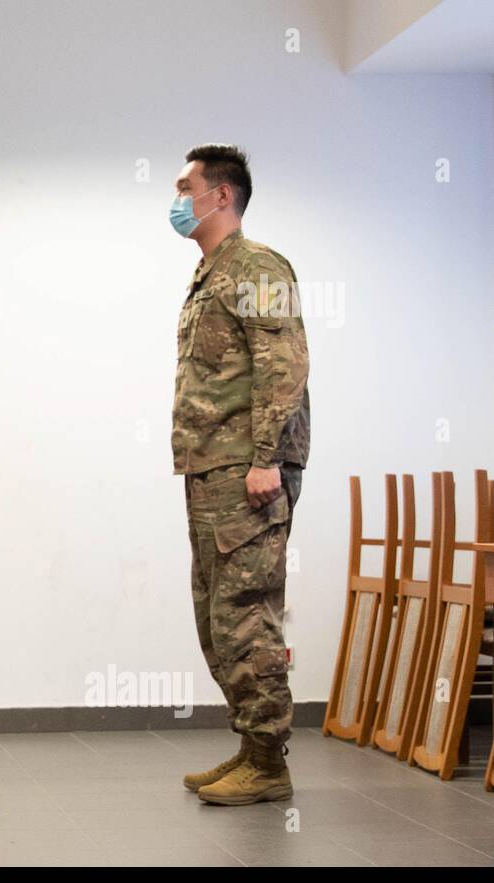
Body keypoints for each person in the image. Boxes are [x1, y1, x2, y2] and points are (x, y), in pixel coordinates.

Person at [169, 145, 311, 805]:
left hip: (246, 475)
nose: (176, 199)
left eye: (185, 186)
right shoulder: (210, 275)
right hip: (211, 474)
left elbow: (283, 363)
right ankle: (251, 748)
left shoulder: (257, 266)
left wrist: (263, 460)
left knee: (248, 617)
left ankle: (270, 765)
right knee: (217, 619)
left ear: (221, 195)